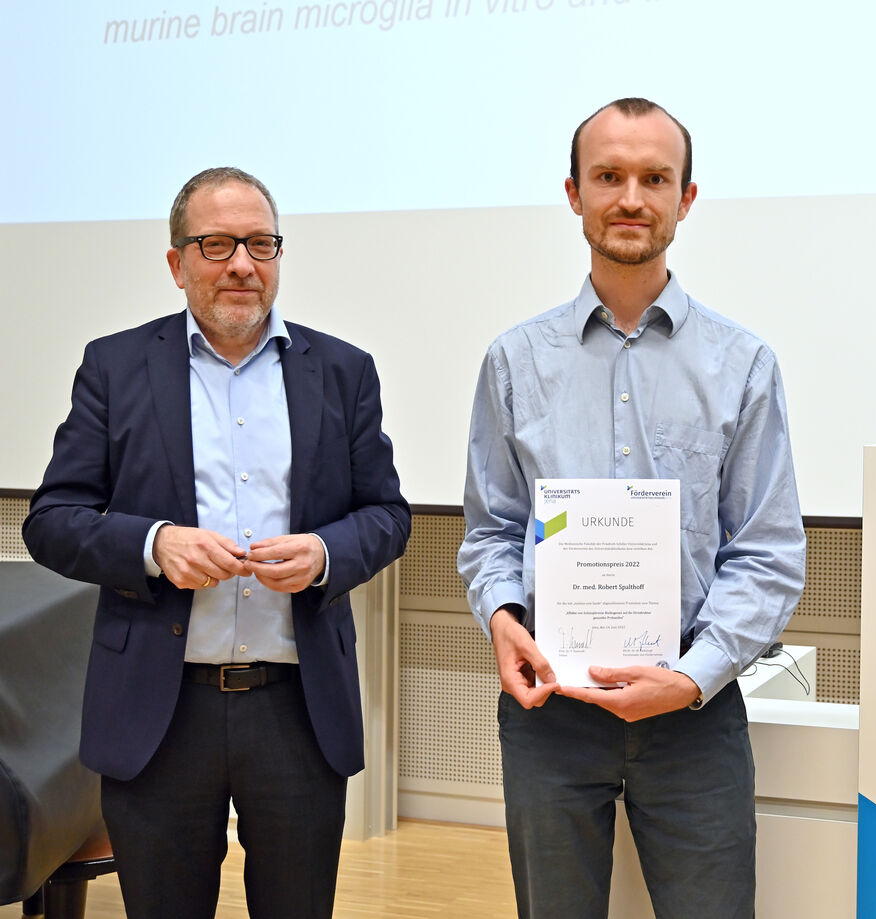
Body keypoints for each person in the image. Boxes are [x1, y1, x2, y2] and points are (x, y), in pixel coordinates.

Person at [23, 167, 411, 919]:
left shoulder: (342, 372)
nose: (242, 263)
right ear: (177, 263)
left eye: (261, 243)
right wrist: (153, 544)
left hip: (295, 711)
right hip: (160, 715)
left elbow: (386, 514)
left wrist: (326, 554)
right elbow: (52, 518)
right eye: (217, 243)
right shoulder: (115, 366)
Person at [458, 97, 806, 919]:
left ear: (685, 199)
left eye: (655, 178)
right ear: (573, 193)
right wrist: (502, 616)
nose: (630, 198)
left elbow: (767, 551)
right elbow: (491, 530)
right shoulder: (513, 360)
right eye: (608, 176)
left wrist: (690, 677)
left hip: (693, 710)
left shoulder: (743, 364)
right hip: (551, 710)